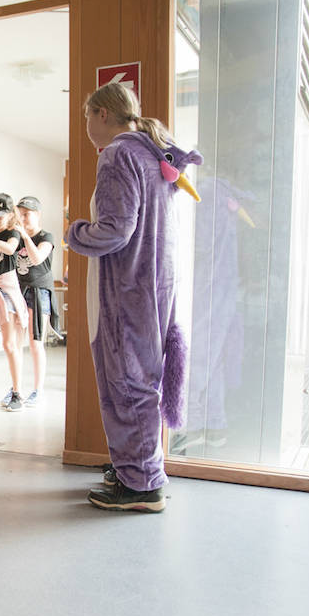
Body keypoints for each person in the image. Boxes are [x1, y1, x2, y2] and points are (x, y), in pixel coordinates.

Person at [67, 81, 201, 513]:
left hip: (126, 289)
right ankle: (136, 467)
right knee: (142, 380)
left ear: (102, 113)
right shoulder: (155, 153)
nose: (87, 127)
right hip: (155, 285)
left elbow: (114, 231)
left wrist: (75, 232)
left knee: (127, 384)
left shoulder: (118, 154)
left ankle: (142, 483)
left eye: (87, 117)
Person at [0, 194, 29, 411]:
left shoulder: (13, 233)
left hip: (7, 290)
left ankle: (17, 392)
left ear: (10, 215)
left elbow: (10, 249)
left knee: (10, 344)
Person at [12, 196, 58, 408]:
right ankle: (16, 390)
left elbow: (38, 258)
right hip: (18, 291)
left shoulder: (46, 236)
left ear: (37, 214)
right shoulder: (16, 237)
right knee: (14, 343)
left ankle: (38, 390)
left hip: (39, 292)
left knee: (35, 342)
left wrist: (24, 235)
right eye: (19, 214)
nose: (22, 218)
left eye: (26, 214)